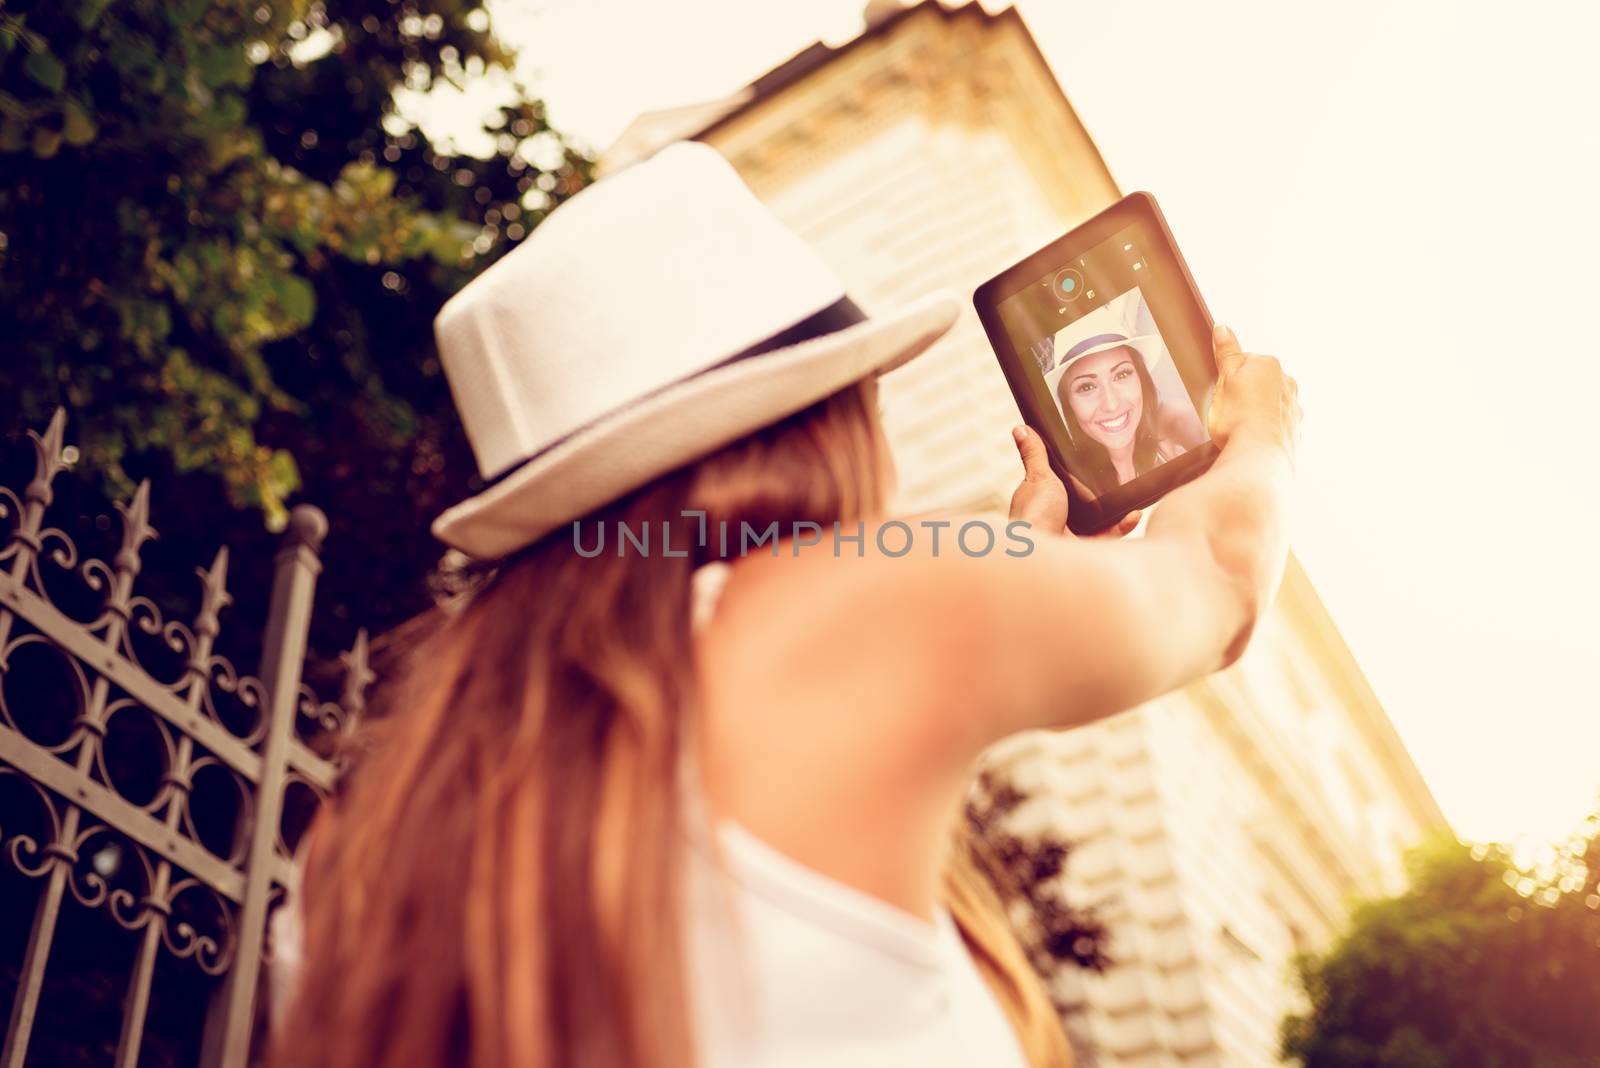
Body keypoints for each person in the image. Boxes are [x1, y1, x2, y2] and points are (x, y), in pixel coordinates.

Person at [265, 142, 1299, 1068]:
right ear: (827, 425)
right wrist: (1259, 428)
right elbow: (1214, 570)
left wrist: (1006, 561)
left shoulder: (357, 848)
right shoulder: (878, 609)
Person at [1054, 333, 1205, 496]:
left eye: (1122, 375)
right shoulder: (1070, 490)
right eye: (1087, 387)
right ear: (1069, 404)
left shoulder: (1172, 426)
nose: (1111, 405)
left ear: (1142, 381)